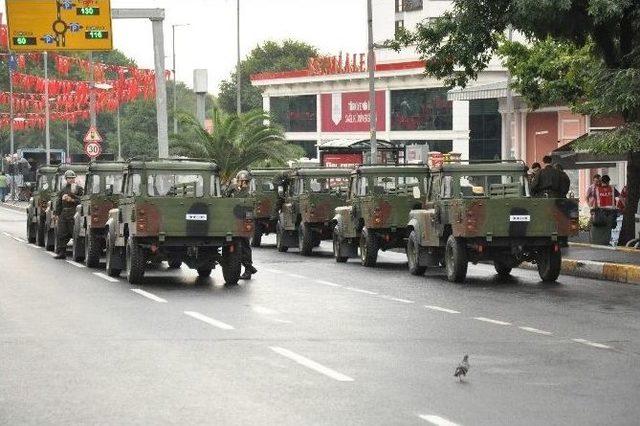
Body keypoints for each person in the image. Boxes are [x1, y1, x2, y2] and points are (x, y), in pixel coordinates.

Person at [227, 170, 258, 280]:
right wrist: (232, 187)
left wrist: (236, 188)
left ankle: (248, 269)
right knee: (238, 247)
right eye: (241, 181)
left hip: (244, 221)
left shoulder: (249, 192)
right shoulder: (234, 189)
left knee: (244, 246)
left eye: (245, 181)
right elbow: (226, 198)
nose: (243, 183)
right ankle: (249, 268)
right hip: (234, 221)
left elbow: (246, 204)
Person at [53, 170, 84, 259]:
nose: (71, 180)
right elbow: (59, 202)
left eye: (72, 178)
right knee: (61, 233)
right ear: (66, 179)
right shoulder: (63, 189)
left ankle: (78, 253)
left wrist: (72, 199)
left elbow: (82, 200)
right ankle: (61, 252)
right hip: (64, 213)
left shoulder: (78, 189)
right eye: (69, 178)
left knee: (75, 233)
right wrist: (56, 213)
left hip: (74, 213)